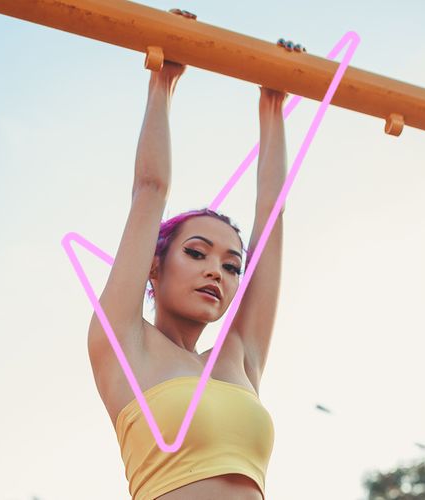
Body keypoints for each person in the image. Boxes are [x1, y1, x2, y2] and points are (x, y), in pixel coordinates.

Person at [88, 11, 298, 499]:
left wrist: (274, 101)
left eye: (231, 265)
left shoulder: (238, 357)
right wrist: (164, 80)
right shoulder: (123, 343)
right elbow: (150, 189)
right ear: (154, 268)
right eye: (198, 253)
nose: (216, 272)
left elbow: (274, 216)